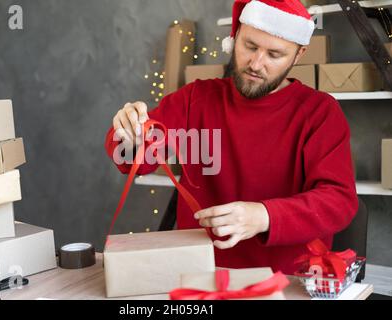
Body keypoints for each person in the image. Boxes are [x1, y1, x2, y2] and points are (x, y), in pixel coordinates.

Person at [104, 0, 358, 274]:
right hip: (199, 275)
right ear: (234, 36)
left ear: (298, 55)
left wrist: (263, 216)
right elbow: (135, 159)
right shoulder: (196, 99)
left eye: (274, 55)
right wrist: (130, 136)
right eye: (249, 46)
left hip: (286, 280)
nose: (256, 64)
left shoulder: (320, 112)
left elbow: (338, 200)